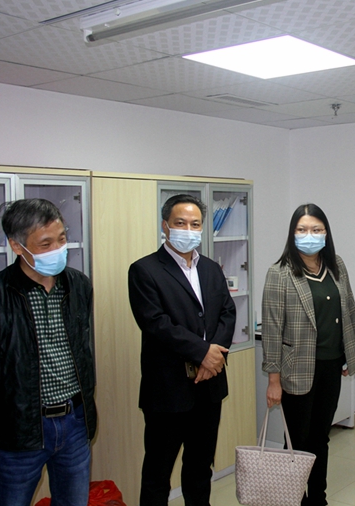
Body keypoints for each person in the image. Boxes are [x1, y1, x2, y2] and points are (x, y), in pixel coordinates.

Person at [0, 198, 97, 506]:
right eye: (45, 244)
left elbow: (81, 349)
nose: (57, 249)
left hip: (75, 421)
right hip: (21, 429)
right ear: (17, 246)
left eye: (61, 239)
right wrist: (10, 403)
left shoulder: (78, 285)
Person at [128, 194, 235, 506]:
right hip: (168, 390)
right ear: (165, 226)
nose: (188, 230)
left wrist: (214, 357)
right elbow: (156, 323)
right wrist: (204, 353)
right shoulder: (145, 270)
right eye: (180, 223)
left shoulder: (211, 269)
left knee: (200, 468)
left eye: (195, 224)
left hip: (209, 386)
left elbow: (227, 313)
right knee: (157, 473)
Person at [261, 204, 355, 506]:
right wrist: (273, 380)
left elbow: (349, 307)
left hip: (331, 366)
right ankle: (292, 498)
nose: (310, 235)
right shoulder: (279, 273)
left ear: (326, 233)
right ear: (292, 234)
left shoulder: (336, 265)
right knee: (297, 440)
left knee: (321, 437)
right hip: (296, 370)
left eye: (316, 229)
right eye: (302, 229)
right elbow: (272, 330)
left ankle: (317, 498)